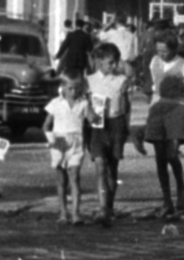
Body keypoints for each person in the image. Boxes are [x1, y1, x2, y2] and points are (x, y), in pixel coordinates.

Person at [85, 42, 132, 225]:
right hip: (97, 126)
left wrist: (128, 128)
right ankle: (102, 207)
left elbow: (126, 107)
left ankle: (109, 207)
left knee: (112, 168)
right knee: (100, 165)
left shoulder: (121, 80)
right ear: (99, 61)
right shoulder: (89, 80)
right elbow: (86, 104)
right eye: (109, 62)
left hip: (116, 124)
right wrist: (88, 117)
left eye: (115, 62)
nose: (113, 66)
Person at [134, 74, 184, 218]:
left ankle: (167, 201)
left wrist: (141, 138)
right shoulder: (180, 107)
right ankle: (180, 193)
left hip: (158, 139)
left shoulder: (157, 107)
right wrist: (179, 139)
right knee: (173, 161)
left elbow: (151, 126)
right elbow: (180, 127)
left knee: (161, 166)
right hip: (170, 139)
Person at [44, 76, 90, 224]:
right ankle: (63, 212)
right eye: (70, 88)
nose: (73, 91)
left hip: (76, 141)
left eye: (76, 88)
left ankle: (76, 213)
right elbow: (46, 125)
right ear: (62, 88)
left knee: (75, 177)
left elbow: (93, 119)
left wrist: (96, 109)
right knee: (61, 179)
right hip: (59, 141)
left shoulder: (83, 103)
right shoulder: (56, 103)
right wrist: (51, 140)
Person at [148, 32, 184, 123]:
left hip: (177, 105)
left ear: (174, 49)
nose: (161, 54)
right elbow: (154, 82)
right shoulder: (155, 61)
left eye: (164, 51)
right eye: (158, 50)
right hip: (157, 103)